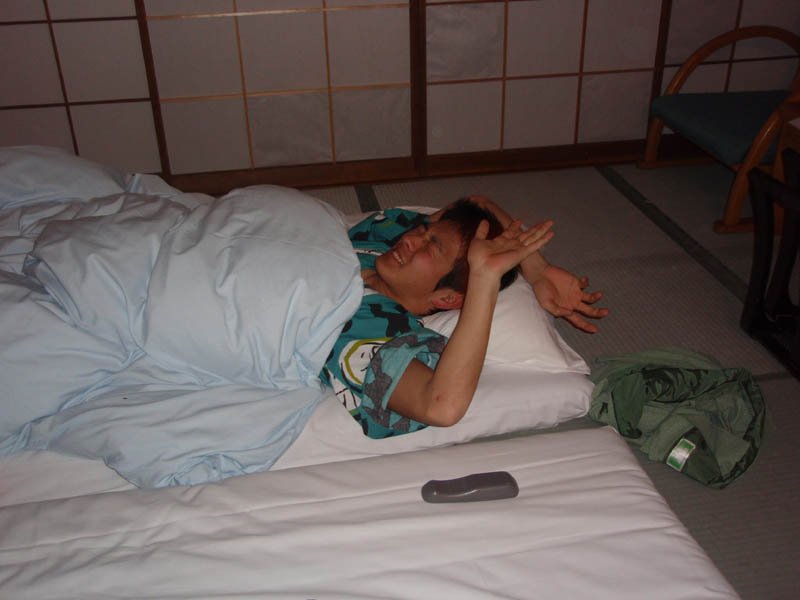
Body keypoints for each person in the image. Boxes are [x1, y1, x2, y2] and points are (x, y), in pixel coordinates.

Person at [321, 198, 606, 439]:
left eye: (431, 247)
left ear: (447, 299)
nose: (409, 239)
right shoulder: (380, 241)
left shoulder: (367, 320)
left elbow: (441, 407)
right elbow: (477, 203)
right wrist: (538, 269)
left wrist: (485, 278)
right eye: (422, 231)